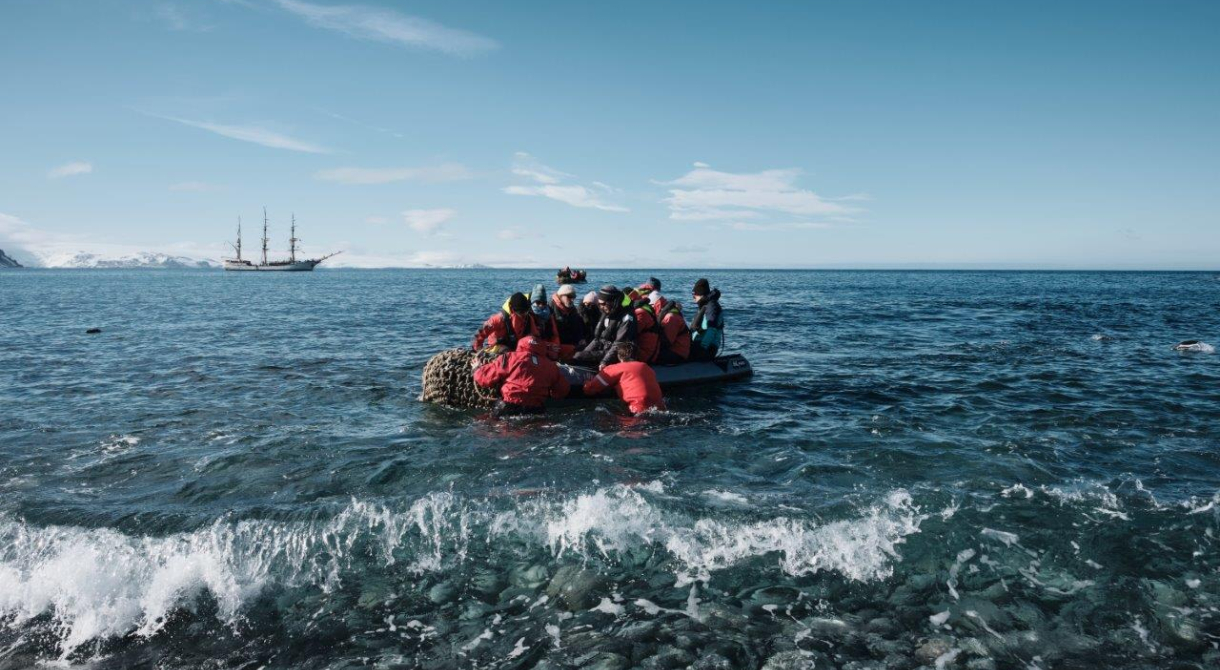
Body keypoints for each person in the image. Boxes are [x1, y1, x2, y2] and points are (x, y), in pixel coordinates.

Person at [473, 336, 570, 417]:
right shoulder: (551, 366)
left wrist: (476, 368)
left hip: (509, 406)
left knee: (485, 423)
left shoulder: (509, 357)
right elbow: (562, 391)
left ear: (521, 345)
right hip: (536, 411)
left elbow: (484, 379)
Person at [582, 342, 666, 414]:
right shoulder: (646, 367)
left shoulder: (614, 368)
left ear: (619, 356)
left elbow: (590, 389)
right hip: (660, 408)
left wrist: (586, 382)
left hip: (637, 410)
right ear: (637, 355)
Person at [572, 285, 637, 369]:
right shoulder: (608, 313)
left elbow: (619, 344)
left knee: (580, 356)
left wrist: (604, 362)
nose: (600, 307)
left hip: (619, 353)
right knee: (578, 355)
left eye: (602, 304)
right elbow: (598, 339)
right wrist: (585, 352)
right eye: (599, 304)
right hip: (606, 347)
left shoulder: (627, 318)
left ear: (612, 302)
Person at [472, 292, 538, 353]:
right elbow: (480, 333)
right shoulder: (499, 319)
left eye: (526, 311)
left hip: (517, 348)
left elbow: (535, 336)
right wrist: (478, 350)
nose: (524, 315)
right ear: (512, 310)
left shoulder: (528, 319)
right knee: (506, 351)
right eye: (521, 312)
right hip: (497, 347)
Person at [623, 287, 661, 364]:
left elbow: (629, 333)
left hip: (645, 355)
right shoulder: (644, 308)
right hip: (647, 350)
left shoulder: (640, 312)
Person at [650, 292, 691, 364]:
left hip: (678, 353)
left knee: (649, 355)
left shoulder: (671, 317)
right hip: (676, 350)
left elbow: (667, 342)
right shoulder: (670, 315)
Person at [689, 278, 724, 361]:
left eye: (694, 296)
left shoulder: (712, 307)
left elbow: (712, 329)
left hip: (708, 347)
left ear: (700, 295)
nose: (693, 298)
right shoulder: (705, 306)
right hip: (699, 343)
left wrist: (703, 348)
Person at [551, 283, 586, 353]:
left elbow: (577, 327)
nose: (572, 300)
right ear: (560, 296)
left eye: (573, 297)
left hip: (572, 343)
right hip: (557, 345)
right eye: (569, 296)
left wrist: (581, 339)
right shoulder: (550, 308)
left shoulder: (572, 309)